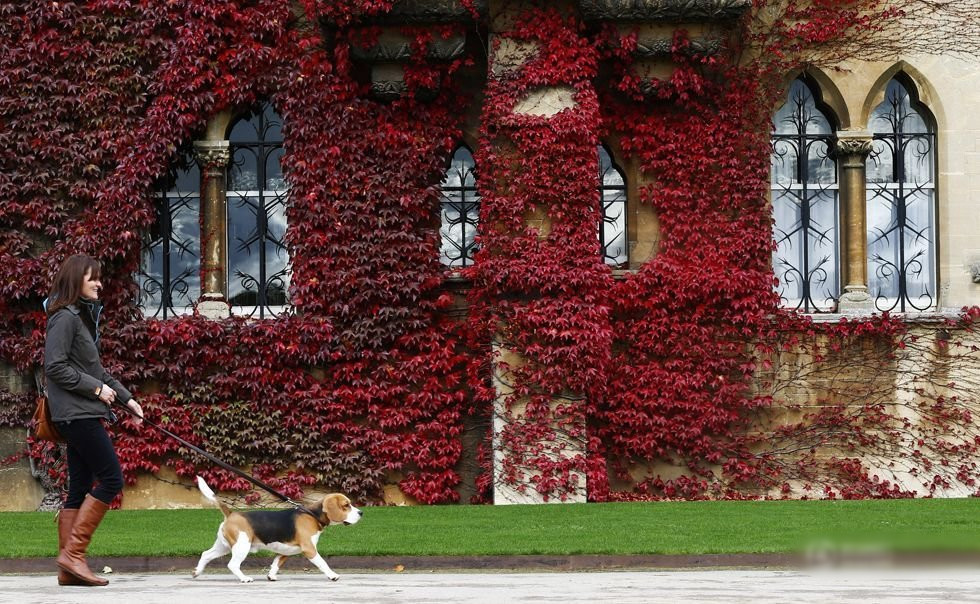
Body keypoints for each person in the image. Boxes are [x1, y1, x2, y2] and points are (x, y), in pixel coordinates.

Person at [43, 254, 143, 587]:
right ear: (76, 281)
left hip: (80, 412)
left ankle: (67, 569)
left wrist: (127, 399)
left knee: (80, 489)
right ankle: (73, 555)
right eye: (93, 278)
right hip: (77, 414)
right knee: (112, 479)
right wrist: (97, 389)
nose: (100, 283)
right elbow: (54, 367)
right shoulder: (64, 318)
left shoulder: (79, 319)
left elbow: (96, 371)